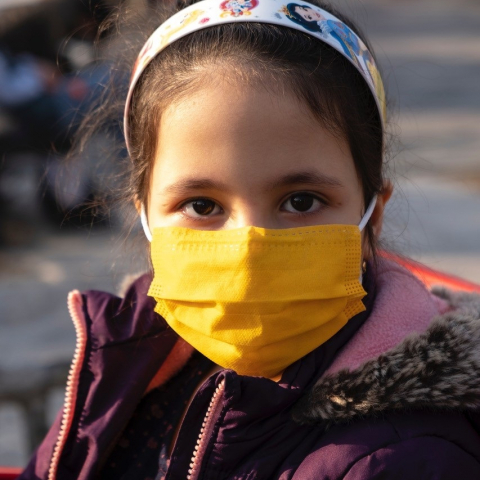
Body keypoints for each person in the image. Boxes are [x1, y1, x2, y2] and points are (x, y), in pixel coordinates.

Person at [19, 0, 480, 478]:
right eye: (202, 206)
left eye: (301, 201)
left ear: (373, 214)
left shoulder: (406, 457)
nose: (250, 250)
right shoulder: (122, 362)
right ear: (145, 215)